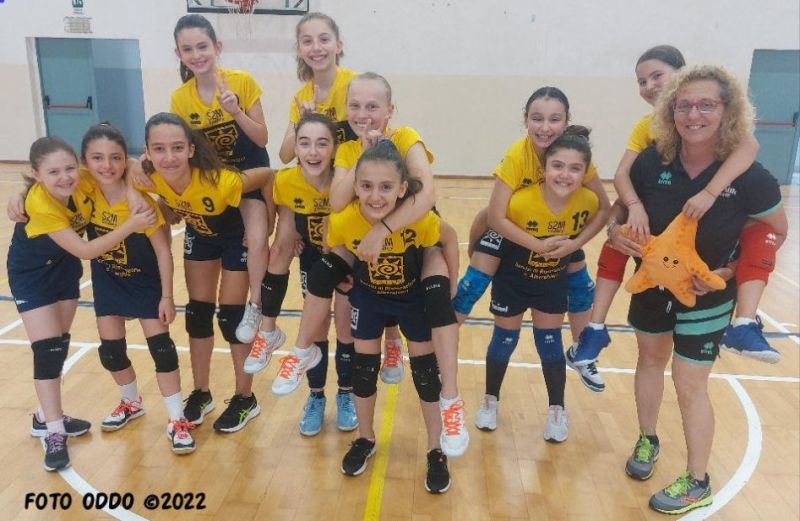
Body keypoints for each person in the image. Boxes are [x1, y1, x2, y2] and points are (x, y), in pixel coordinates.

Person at [606, 65, 787, 514]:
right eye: (683, 105)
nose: (693, 115)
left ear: (728, 110)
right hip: (651, 286)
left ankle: (698, 480)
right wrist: (615, 232)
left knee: (690, 384)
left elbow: (774, 231)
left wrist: (726, 273)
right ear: (670, 112)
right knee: (649, 361)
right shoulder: (652, 161)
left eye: (706, 104)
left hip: (709, 297)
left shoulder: (750, 176)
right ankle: (647, 439)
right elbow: (618, 213)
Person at [571, 45, 776, 370]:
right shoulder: (646, 130)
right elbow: (623, 175)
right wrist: (631, 210)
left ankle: (746, 322)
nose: (649, 86)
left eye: (657, 76)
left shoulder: (726, 135)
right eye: (642, 81)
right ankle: (595, 327)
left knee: (759, 233)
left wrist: (710, 192)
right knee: (622, 233)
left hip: (701, 266)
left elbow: (749, 145)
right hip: (656, 253)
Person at [328, 71, 467, 456]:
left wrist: (383, 230)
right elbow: (337, 204)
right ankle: (364, 434)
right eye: (355, 106)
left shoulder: (406, 138)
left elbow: (428, 197)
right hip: (373, 269)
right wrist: (364, 155)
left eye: (373, 106)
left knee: (433, 319)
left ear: (390, 110)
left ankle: (446, 415)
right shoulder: (349, 151)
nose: (363, 114)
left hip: (415, 243)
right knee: (361, 358)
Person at [262, 12, 405, 384]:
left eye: (324, 39)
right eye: (307, 41)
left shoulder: (354, 87)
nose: (316, 47)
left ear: (339, 45)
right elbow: (285, 154)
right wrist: (303, 122)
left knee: (373, 284)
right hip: (329, 201)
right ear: (299, 49)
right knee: (325, 290)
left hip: (365, 197)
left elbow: (380, 126)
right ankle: (285, 343)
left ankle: (392, 339)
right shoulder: (301, 97)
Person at [7, 136, 155, 470]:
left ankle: (45, 415)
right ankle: (54, 432)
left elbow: (122, 167)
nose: (65, 177)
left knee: (58, 344)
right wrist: (132, 225)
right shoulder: (39, 203)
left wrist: (133, 170)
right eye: (53, 172)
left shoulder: (83, 179)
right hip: (32, 275)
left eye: (70, 168)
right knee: (47, 351)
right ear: (36, 174)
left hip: (64, 269)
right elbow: (87, 250)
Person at [453, 87, 611, 395]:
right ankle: (437, 344)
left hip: (556, 232)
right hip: (511, 230)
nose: (545, 127)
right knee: (471, 287)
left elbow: (604, 207)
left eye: (555, 119)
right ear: (525, 120)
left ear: (567, 121)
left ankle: (582, 353)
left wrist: (575, 244)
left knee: (581, 288)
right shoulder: (517, 156)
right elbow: (494, 217)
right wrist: (478, 245)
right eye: (537, 119)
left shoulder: (574, 153)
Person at [136, 112, 273, 433]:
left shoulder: (219, 181)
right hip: (200, 234)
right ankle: (201, 392)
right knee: (197, 315)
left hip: (234, 236)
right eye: (159, 149)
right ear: (147, 152)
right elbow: (95, 174)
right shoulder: (147, 175)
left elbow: (268, 175)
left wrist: (268, 223)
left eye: (177, 148)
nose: (169, 157)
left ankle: (245, 398)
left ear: (191, 149)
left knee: (231, 317)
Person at [328, 141, 452, 493]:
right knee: (363, 371)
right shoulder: (345, 219)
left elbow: (448, 240)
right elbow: (333, 243)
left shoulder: (419, 219)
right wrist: (340, 274)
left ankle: (436, 447)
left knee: (426, 375)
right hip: (369, 300)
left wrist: (452, 287)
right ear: (355, 187)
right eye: (366, 186)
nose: (375, 196)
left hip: (412, 302)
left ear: (402, 189)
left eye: (385, 187)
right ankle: (365, 438)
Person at [473, 128, 598, 440]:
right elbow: (488, 218)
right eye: (558, 166)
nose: (565, 175)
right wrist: (474, 250)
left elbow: (607, 214)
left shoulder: (587, 201)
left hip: (550, 282)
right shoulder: (519, 201)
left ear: (585, 173)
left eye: (575, 168)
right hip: (513, 280)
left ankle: (557, 409)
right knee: (504, 339)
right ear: (544, 168)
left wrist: (576, 244)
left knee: (550, 343)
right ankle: (490, 399)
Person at [79, 123, 195, 454]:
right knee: (110, 351)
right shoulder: (84, 189)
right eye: (97, 158)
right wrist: (20, 195)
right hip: (108, 280)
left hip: (145, 283)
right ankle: (131, 402)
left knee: (162, 349)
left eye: (115, 158)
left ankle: (177, 419)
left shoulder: (141, 204)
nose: (107, 165)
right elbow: (45, 181)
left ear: (124, 159)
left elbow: (163, 251)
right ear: (85, 161)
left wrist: (167, 296)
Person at [244, 113, 358, 435]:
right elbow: (287, 228)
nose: (313, 152)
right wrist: (291, 240)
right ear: (295, 148)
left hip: (345, 259)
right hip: (312, 259)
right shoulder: (286, 181)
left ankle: (346, 394)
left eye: (322, 143)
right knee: (317, 329)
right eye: (304, 143)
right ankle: (316, 395)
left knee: (346, 330)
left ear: (334, 148)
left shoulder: (345, 179)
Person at [169, 14, 273, 345]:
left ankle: (257, 305)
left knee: (256, 238)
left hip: (249, 178)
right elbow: (186, 152)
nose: (196, 55)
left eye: (202, 46)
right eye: (188, 49)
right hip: (214, 185)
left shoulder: (242, 82)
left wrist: (235, 112)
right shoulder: (180, 99)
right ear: (179, 54)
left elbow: (262, 139)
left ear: (217, 47)